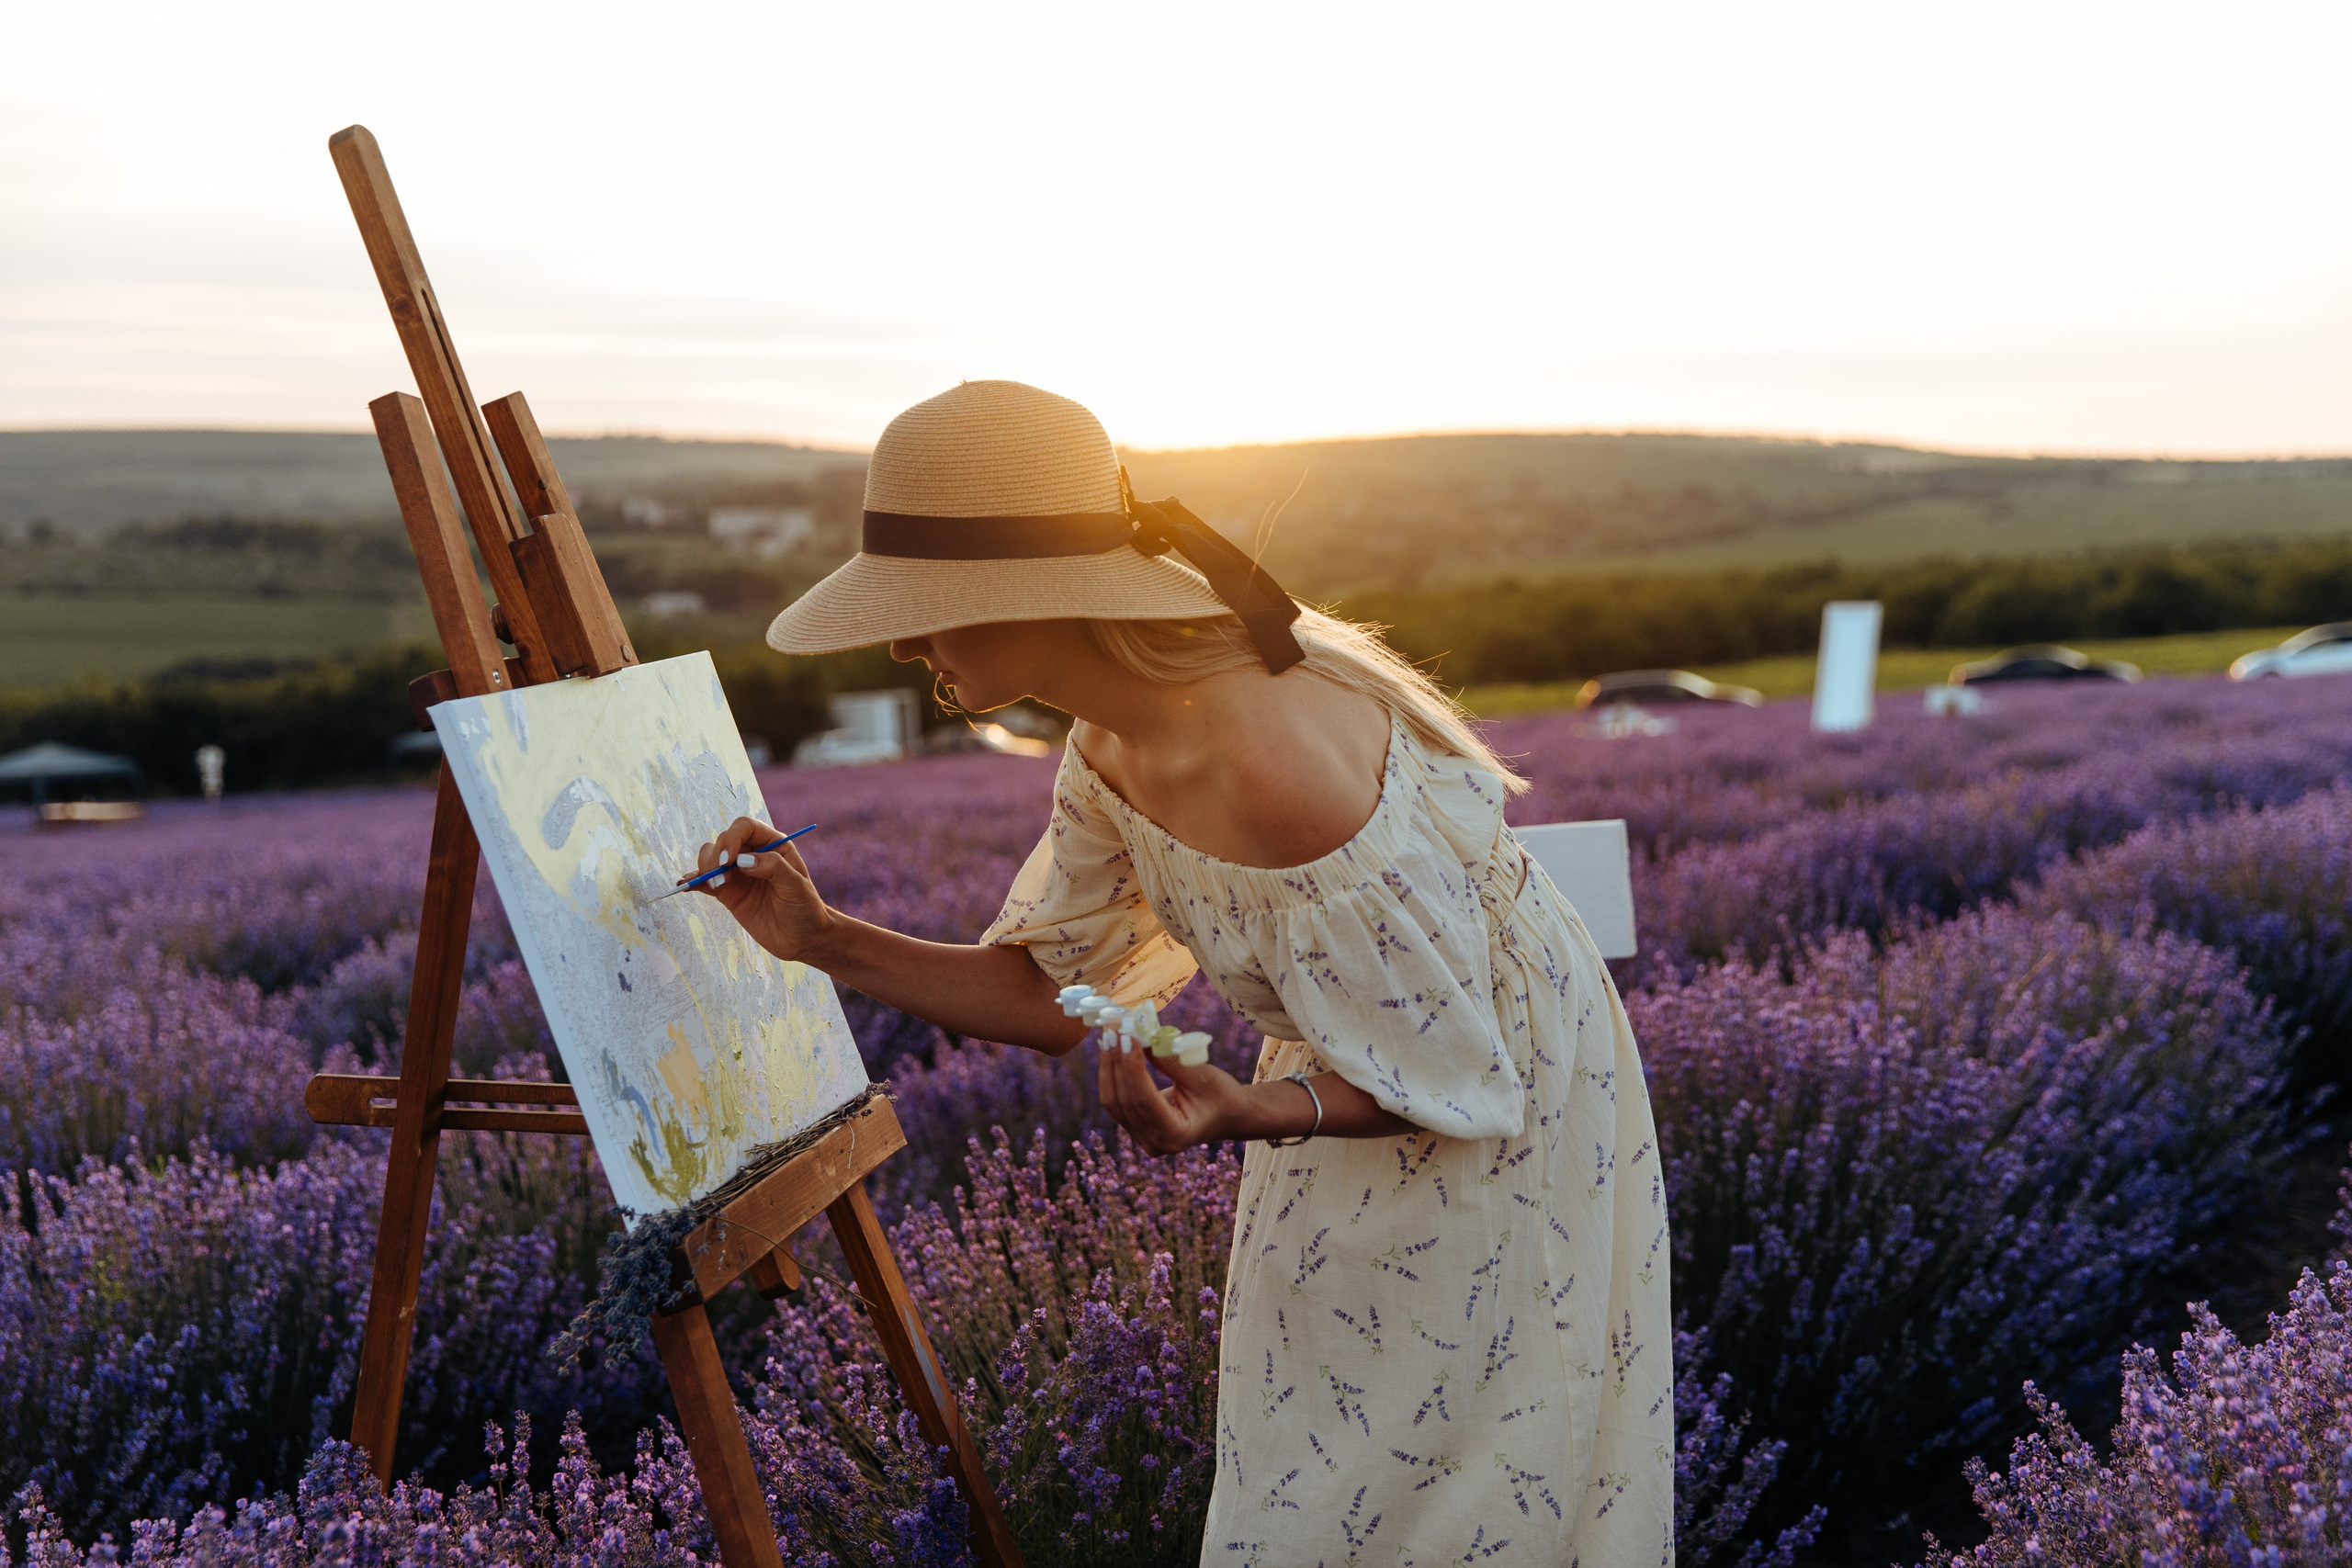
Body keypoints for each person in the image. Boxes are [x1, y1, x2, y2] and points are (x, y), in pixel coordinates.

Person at [693, 380, 1673, 1564]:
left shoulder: (1272, 767)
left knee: (1447, 1482)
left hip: (1495, 1113)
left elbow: (1466, 1081)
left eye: (933, 608)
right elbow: (1054, 995)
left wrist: (1247, 1109)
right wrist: (822, 936)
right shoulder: (1107, 748)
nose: (907, 642)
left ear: (1042, 597)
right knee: (1321, 1462)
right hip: (1361, 1077)